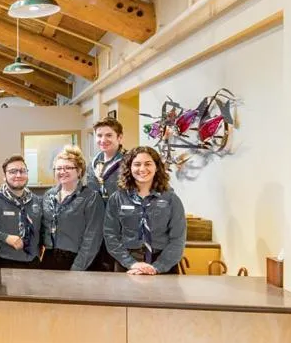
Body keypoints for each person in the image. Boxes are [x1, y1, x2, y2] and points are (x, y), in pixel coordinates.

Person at [103, 146, 187, 275]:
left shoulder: (171, 199)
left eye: (148, 164)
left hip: (163, 263)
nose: (142, 169)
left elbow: (177, 239)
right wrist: (132, 263)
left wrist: (158, 267)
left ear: (157, 167)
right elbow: (111, 235)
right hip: (127, 264)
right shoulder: (117, 198)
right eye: (137, 164)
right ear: (129, 168)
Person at [40, 146, 104, 271]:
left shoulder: (91, 198)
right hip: (50, 259)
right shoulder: (48, 195)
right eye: (58, 168)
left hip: (79, 261)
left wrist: (77, 268)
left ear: (79, 171)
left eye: (68, 167)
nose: (62, 171)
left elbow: (92, 238)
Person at [85, 117, 126, 271]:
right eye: (99, 135)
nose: (103, 139)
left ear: (119, 137)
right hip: (97, 226)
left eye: (109, 135)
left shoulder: (129, 162)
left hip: (120, 228)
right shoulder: (93, 164)